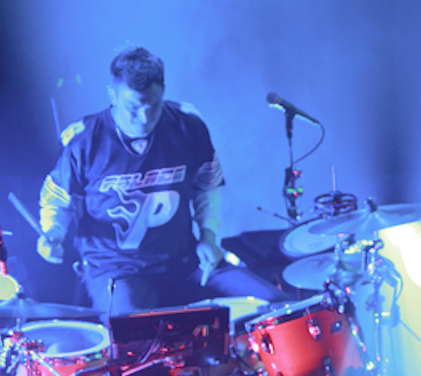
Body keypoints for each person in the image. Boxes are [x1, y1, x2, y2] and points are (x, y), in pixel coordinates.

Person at [37, 46, 280, 314]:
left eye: (153, 107)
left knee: (273, 305)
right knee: (133, 331)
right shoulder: (85, 140)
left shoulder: (187, 126)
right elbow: (57, 199)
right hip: (116, 268)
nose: (144, 119)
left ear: (163, 92)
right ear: (112, 95)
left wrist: (208, 237)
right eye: (133, 108)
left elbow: (207, 185)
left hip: (184, 261)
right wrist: (54, 232)